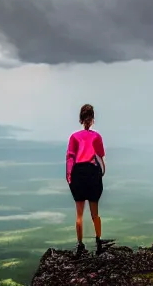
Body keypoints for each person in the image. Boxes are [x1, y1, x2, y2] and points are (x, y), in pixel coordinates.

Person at [66, 102, 110, 256]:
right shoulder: (96, 136)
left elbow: (70, 158)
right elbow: (100, 157)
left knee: (79, 214)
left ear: (81, 119)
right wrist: (102, 172)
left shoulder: (74, 137)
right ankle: (98, 241)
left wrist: (69, 176)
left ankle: (80, 245)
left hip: (78, 172)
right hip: (92, 172)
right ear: (92, 119)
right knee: (94, 213)